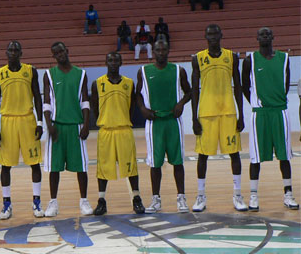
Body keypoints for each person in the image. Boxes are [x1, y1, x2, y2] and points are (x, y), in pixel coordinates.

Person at [242, 27, 298, 211]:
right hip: (260, 113)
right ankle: (253, 196)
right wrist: (256, 102)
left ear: (273, 37)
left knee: (284, 155)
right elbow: (244, 85)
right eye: (261, 34)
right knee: (255, 157)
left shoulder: (284, 58)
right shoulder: (250, 59)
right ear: (257, 38)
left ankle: (288, 194)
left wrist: (277, 99)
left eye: (268, 34)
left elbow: (285, 82)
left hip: (280, 112)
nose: (265, 36)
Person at [191, 24, 245, 212]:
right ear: (205, 36)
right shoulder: (197, 58)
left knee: (234, 153)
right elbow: (194, 90)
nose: (213, 37)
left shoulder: (232, 56)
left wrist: (241, 114)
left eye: (215, 34)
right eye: (209, 34)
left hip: (228, 112)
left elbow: (238, 86)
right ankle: (200, 196)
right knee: (202, 156)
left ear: (221, 35)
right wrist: (194, 117)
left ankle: (238, 195)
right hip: (206, 113)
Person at [136, 40, 192, 213]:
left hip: (173, 121)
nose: (161, 52)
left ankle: (181, 198)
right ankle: (156, 199)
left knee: (178, 161)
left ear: (168, 51)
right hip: (154, 123)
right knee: (155, 163)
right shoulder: (144, 71)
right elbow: (137, 94)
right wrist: (143, 109)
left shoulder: (178, 70)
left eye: (164, 49)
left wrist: (181, 103)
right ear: (153, 52)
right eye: (158, 50)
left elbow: (190, 92)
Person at [0, 41, 44, 220]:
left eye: (16, 50)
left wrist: (40, 122)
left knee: (34, 163)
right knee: (6, 165)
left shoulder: (30, 71)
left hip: (27, 120)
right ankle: (7, 204)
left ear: (21, 53)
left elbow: (37, 96)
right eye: (10, 50)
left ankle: (36, 201)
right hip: (8, 121)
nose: (13, 52)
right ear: (6, 53)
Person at [90, 52, 144, 215]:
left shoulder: (129, 83)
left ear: (121, 62)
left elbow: (131, 107)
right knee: (103, 168)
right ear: (106, 62)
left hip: (124, 130)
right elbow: (95, 107)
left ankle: (136, 198)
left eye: (116, 60)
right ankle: (101, 200)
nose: (113, 63)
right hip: (106, 130)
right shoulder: (97, 84)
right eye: (110, 60)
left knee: (131, 167)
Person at [43, 42, 91, 217]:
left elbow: (85, 101)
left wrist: (87, 125)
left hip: (76, 125)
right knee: (54, 168)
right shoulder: (49, 74)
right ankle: (53, 203)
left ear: (67, 50)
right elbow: (47, 102)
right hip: (56, 126)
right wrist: (49, 125)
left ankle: (84, 201)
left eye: (61, 51)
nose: (59, 54)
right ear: (53, 56)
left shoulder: (81, 74)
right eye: (55, 53)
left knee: (81, 167)